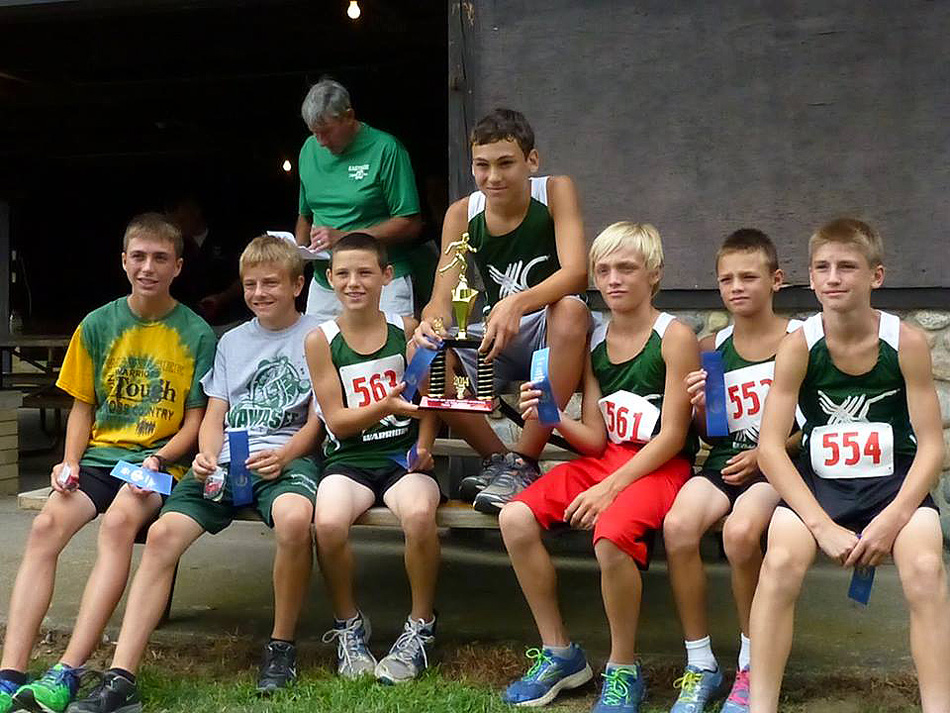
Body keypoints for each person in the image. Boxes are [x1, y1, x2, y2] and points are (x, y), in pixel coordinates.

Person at [67, 235, 323, 713]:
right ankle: (123, 676)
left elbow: (317, 421)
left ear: (297, 285)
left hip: (284, 459)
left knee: (293, 518)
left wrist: (286, 456)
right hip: (225, 461)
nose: (260, 293)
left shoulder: (317, 337)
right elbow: (215, 412)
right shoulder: (230, 340)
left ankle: (281, 646)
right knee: (162, 533)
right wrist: (207, 454)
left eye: (271, 283)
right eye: (250, 285)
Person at [1, 214, 215, 713]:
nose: (148, 267)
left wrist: (159, 458)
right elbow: (82, 406)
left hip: (159, 461)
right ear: (123, 261)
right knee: (46, 526)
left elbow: (194, 421)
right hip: (99, 458)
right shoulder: (97, 324)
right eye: (138, 256)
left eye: (160, 258)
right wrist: (68, 462)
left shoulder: (196, 332)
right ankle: (10, 673)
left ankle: (66, 672)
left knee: (118, 523)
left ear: (178, 266)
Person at [749, 218, 950, 713]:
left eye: (847, 267)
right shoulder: (799, 346)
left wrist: (892, 520)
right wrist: (820, 527)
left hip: (893, 484)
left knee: (926, 568)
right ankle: (759, 706)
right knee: (777, 564)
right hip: (821, 487)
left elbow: (931, 447)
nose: (834, 277)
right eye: (822, 268)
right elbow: (772, 448)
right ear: (811, 279)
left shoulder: (906, 343)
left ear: (875, 276)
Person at [500, 223, 699, 712]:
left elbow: (673, 436)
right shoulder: (595, 339)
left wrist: (610, 488)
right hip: (607, 461)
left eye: (626, 268)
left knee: (610, 535)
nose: (613, 279)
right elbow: (594, 436)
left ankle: (623, 668)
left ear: (653, 274)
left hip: (661, 467)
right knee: (514, 517)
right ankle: (560, 652)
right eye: (603, 269)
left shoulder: (674, 337)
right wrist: (551, 413)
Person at [413, 108, 589, 513]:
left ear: (532, 160)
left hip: (549, 329)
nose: (493, 177)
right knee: (420, 357)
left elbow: (578, 273)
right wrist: (429, 324)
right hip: (496, 336)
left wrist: (519, 302)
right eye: (482, 165)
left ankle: (525, 459)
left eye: (506, 163)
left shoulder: (555, 190)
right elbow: (443, 294)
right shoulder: (462, 213)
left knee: (571, 311)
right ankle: (498, 460)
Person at [662, 229, 801, 713]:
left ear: (776, 280)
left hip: (779, 469)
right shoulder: (711, 346)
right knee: (678, 526)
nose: (736, 287)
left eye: (748, 276)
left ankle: (751, 660)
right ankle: (700, 662)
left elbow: (816, 420)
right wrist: (700, 406)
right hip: (725, 462)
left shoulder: (799, 340)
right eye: (726, 279)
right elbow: (708, 434)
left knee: (740, 534)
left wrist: (768, 453)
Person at [306, 232, 441, 684]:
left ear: (386, 276)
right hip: (350, 460)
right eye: (343, 273)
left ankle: (420, 627)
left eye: (365, 272)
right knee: (327, 522)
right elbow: (339, 422)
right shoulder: (321, 339)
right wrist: (385, 404)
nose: (354, 282)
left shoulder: (407, 330)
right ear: (329, 279)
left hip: (402, 458)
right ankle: (349, 625)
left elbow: (429, 399)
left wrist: (423, 444)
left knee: (420, 513)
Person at [296, 78, 424, 323]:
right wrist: (297, 256)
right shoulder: (308, 149)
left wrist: (345, 238)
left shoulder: (386, 149)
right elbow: (305, 215)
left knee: (386, 357)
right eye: (314, 133)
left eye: (327, 131)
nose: (321, 141)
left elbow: (410, 223)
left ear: (349, 116)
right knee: (317, 355)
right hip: (326, 282)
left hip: (381, 281)